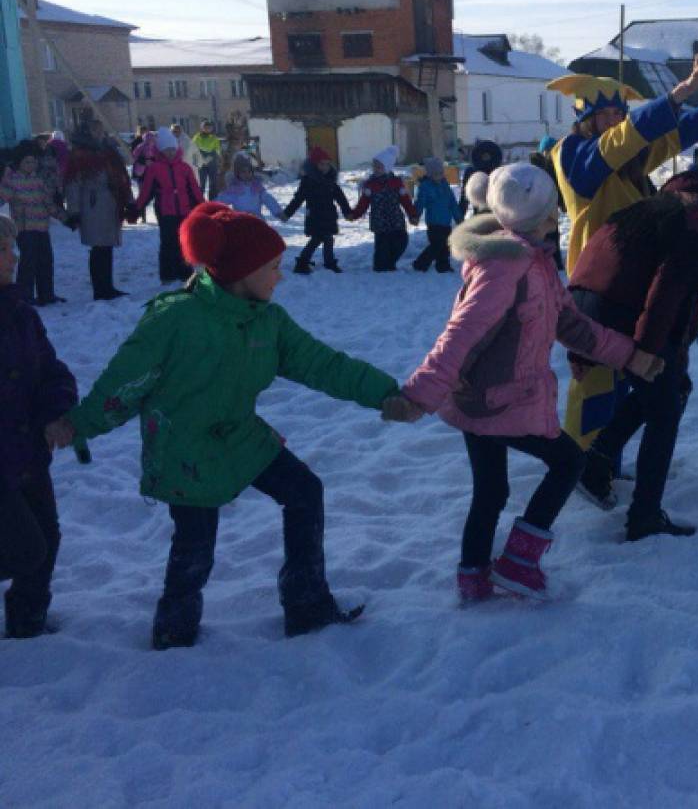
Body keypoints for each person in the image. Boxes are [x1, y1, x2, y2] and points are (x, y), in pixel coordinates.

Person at [45, 203, 410, 648]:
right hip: (185, 449)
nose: (280, 276)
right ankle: (174, 632)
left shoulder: (267, 320)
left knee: (304, 491)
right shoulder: (175, 318)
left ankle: (306, 603)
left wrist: (385, 393)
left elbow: (324, 365)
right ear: (241, 271)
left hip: (239, 435)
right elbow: (123, 383)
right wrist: (77, 425)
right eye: (272, 267)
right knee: (195, 546)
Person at [393, 163, 659, 600]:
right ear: (544, 217)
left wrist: (630, 356)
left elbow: (572, 326)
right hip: (500, 401)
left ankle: (474, 576)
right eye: (554, 212)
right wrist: (419, 394)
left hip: (482, 399)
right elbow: (462, 333)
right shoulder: (506, 268)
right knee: (568, 462)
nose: (558, 219)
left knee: (491, 490)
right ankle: (518, 562)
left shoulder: (533, 262)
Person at [571, 152, 698, 539]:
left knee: (664, 386)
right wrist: (646, 350)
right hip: (622, 305)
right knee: (665, 406)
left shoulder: (673, 199)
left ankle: (596, 465)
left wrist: (582, 341)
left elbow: (605, 264)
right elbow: (670, 288)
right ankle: (644, 516)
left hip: (587, 300)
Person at [546, 58, 698, 453]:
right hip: (594, 285)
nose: (614, 120)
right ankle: (577, 459)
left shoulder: (628, 161)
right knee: (594, 377)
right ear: (586, 118)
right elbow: (620, 143)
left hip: (633, 282)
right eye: (606, 113)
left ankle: (601, 459)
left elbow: (669, 138)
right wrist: (681, 92)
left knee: (631, 374)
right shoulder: (573, 152)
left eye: (619, 113)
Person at [0, 215, 77, 638]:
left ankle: (27, 624)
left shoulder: (20, 313)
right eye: (4, 250)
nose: (14, 256)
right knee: (23, 548)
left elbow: (51, 371)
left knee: (46, 539)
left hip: (28, 453)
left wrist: (55, 411)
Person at [63, 119, 134, 301]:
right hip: (92, 205)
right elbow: (73, 185)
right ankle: (100, 289)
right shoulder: (80, 154)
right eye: (95, 129)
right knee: (98, 248)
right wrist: (74, 211)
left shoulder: (108, 151)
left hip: (110, 203)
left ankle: (108, 286)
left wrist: (129, 201)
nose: (99, 132)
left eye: (100, 129)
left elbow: (122, 177)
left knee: (107, 247)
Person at [132, 127, 205, 283]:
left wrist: (202, 205)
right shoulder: (154, 169)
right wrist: (137, 208)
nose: (170, 153)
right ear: (160, 151)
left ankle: (185, 272)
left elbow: (194, 189)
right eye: (167, 150)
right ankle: (168, 274)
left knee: (184, 241)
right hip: (165, 211)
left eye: (173, 149)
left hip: (184, 210)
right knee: (168, 242)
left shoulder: (184, 167)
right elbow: (146, 191)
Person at [1, 139, 68, 305]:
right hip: (24, 229)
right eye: (27, 162)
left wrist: (66, 218)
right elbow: (2, 197)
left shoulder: (39, 180)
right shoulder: (12, 180)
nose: (31, 165)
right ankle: (25, 296)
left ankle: (47, 294)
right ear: (20, 162)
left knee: (45, 260)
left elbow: (49, 204)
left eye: (33, 161)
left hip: (41, 227)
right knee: (28, 263)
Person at [283, 147, 352, 274]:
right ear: (314, 165)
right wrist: (287, 213)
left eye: (327, 164)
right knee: (318, 239)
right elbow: (298, 199)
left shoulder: (330, 180)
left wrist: (347, 211)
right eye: (322, 164)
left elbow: (340, 197)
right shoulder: (308, 181)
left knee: (327, 238)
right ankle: (303, 262)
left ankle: (327, 262)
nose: (325, 167)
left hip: (329, 215)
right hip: (315, 216)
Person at [349, 146, 418, 272]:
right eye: (374, 166)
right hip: (379, 221)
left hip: (395, 219)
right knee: (382, 246)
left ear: (387, 167)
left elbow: (406, 201)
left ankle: (390, 262)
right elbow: (363, 203)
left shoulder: (396, 183)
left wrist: (412, 214)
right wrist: (354, 214)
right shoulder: (370, 184)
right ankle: (380, 266)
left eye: (379, 166)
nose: (375, 169)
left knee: (401, 241)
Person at [412, 156, 462, 273]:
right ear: (430, 174)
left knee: (445, 246)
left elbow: (452, 203)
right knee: (436, 245)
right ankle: (420, 263)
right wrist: (416, 215)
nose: (439, 176)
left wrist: (459, 217)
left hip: (446, 222)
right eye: (436, 174)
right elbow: (420, 203)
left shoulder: (445, 185)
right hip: (434, 223)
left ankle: (443, 265)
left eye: (440, 173)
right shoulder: (425, 187)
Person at [216, 151, 285, 221]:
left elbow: (268, 199)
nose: (247, 174)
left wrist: (278, 212)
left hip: (257, 219)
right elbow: (221, 201)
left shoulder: (257, 187)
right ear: (237, 174)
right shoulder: (234, 189)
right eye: (243, 172)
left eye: (249, 172)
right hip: (241, 220)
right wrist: (212, 209)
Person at [458, 139, 503, 219]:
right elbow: (464, 197)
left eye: (487, 156)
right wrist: (459, 217)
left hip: (496, 214)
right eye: (484, 156)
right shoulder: (471, 172)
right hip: (480, 213)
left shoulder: (499, 171)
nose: (486, 158)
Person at [192, 119, 223, 197]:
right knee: (201, 182)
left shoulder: (214, 138)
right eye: (205, 127)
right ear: (202, 128)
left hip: (212, 161)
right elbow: (193, 149)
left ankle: (213, 199)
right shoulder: (197, 137)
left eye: (209, 127)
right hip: (201, 162)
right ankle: (199, 200)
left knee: (213, 182)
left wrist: (219, 159)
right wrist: (197, 161)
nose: (207, 129)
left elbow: (218, 149)